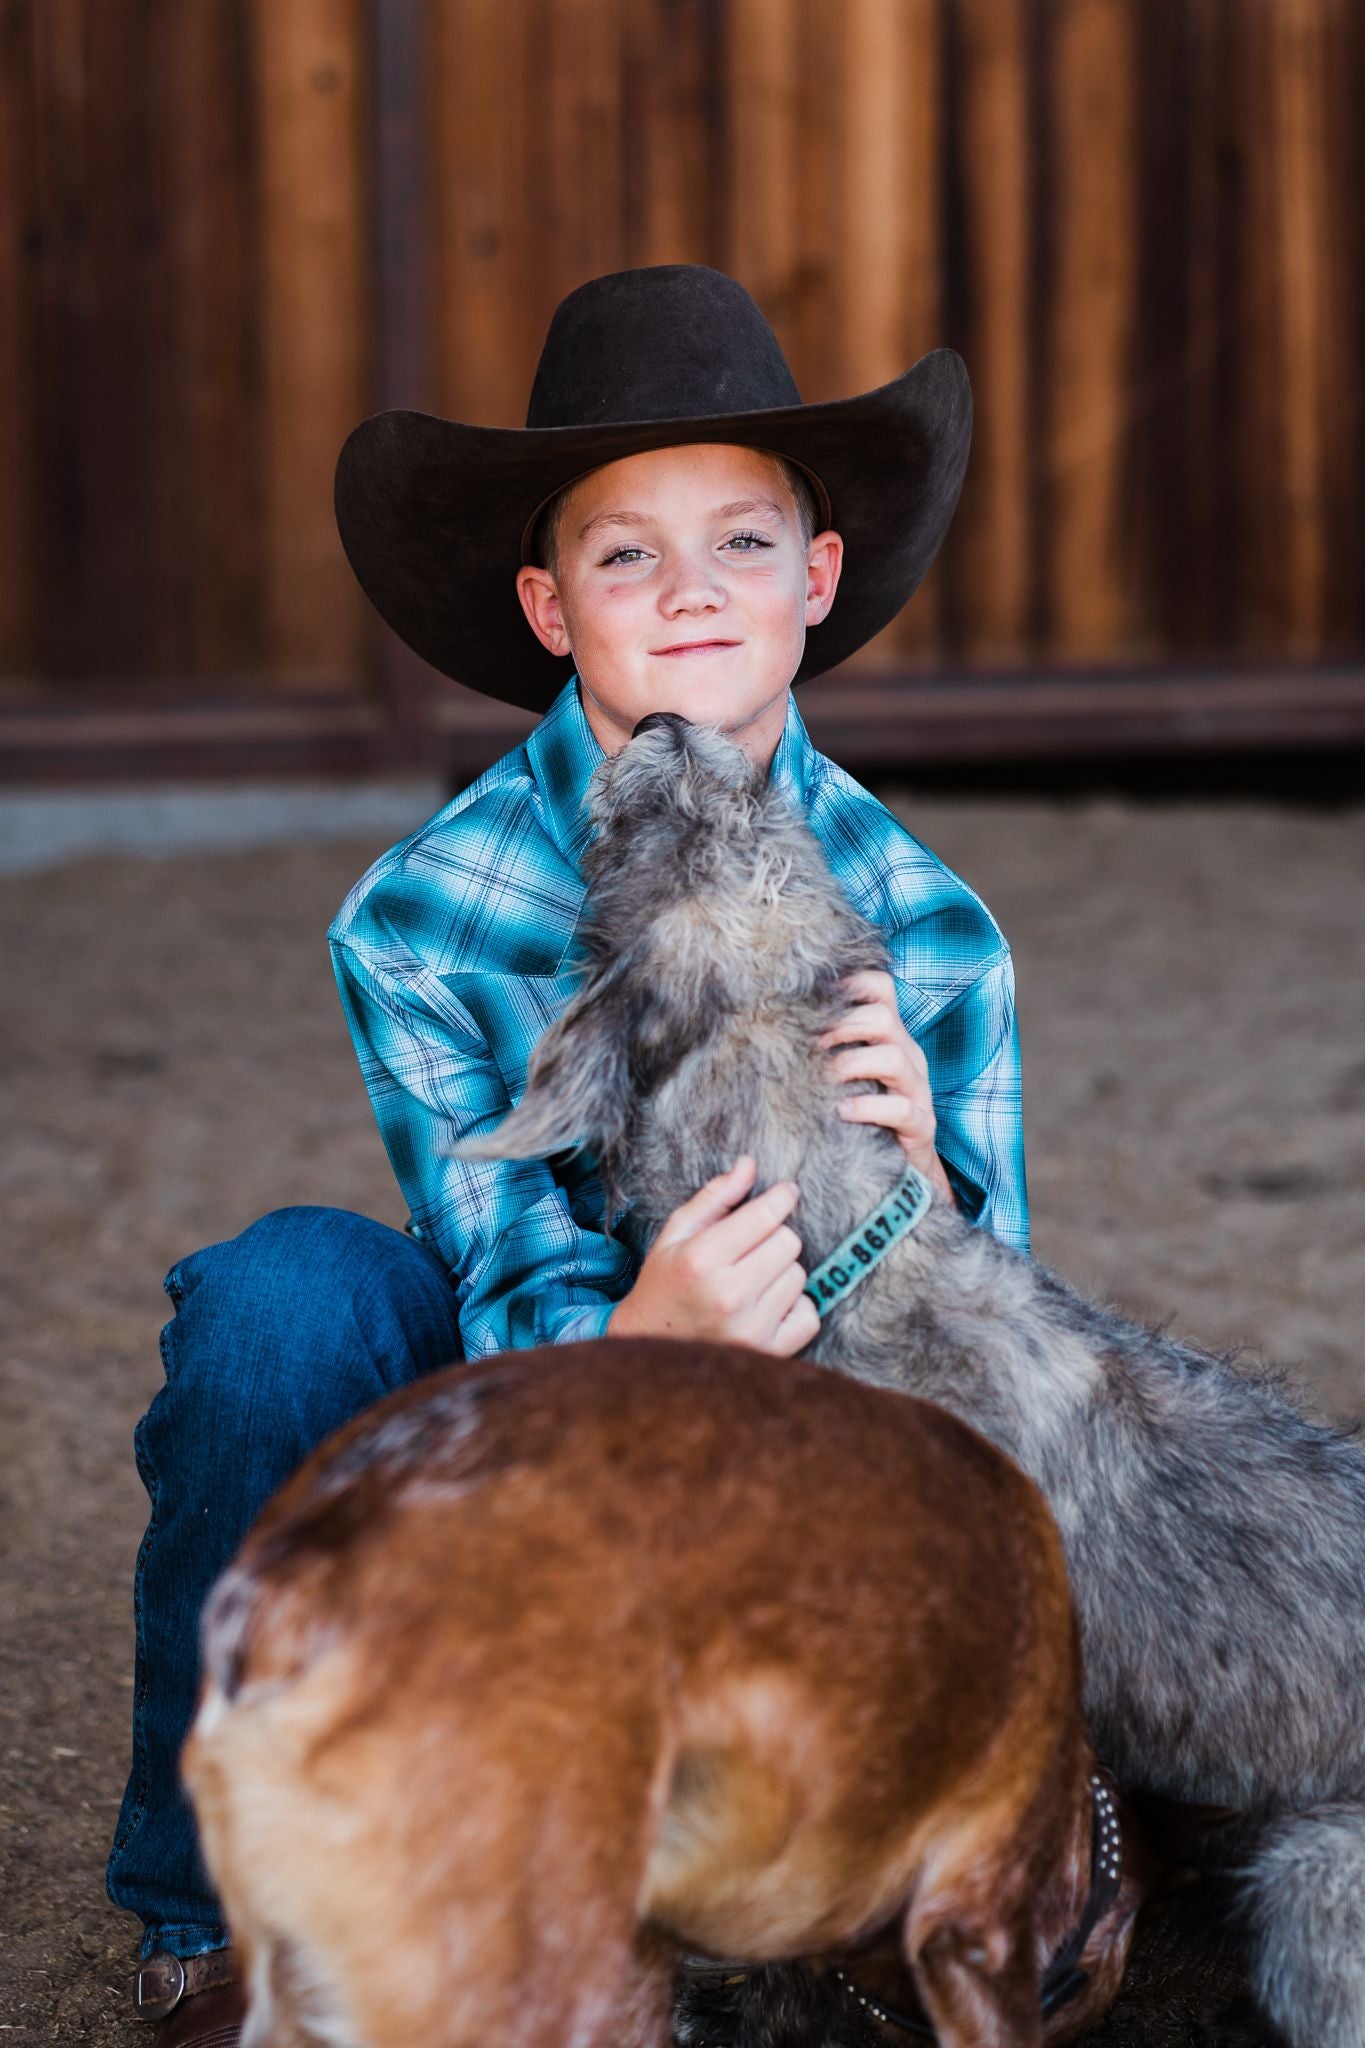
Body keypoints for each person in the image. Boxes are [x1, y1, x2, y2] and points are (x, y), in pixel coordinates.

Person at [110, 264, 1028, 2046]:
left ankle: (802, 1868)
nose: (690, 591)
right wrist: (643, 1338)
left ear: (816, 581)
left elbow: (986, 1358)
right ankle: (205, 1902)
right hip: (545, 1387)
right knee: (279, 1303)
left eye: (743, 543)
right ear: (547, 605)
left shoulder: (936, 926)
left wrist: (926, 1200)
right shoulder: (423, 914)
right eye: (624, 556)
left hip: (818, 1441)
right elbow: (503, 1252)